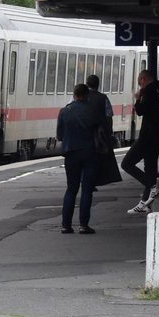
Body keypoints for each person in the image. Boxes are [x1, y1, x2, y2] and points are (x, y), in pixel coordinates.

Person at [57, 83, 99, 234]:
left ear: (74, 95)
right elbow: (100, 131)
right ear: (87, 95)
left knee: (71, 189)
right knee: (87, 190)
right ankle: (83, 225)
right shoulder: (93, 111)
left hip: (71, 153)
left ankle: (66, 225)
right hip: (89, 153)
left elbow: (59, 136)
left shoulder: (64, 111)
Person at [122, 69, 159, 214]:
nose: (140, 86)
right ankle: (145, 203)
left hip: (147, 136)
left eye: (140, 83)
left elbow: (140, 110)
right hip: (158, 136)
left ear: (144, 79)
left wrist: (137, 98)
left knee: (126, 163)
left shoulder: (147, 91)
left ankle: (152, 186)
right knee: (150, 168)